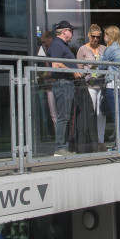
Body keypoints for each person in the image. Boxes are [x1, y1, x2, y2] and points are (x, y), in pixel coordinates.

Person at [47, 20, 81, 156]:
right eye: (71, 31)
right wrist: (73, 71)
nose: (72, 34)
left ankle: (63, 148)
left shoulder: (62, 45)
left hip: (66, 83)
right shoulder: (57, 44)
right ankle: (60, 148)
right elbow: (55, 64)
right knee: (63, 118)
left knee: (65, 117)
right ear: (64, 32)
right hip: (63, 83)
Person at [100, 25, 120, 150]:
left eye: (105, 34)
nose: (104, 37)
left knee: (117, 116)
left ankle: (119, 145)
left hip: (113, 84)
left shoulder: (110, 49)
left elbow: (101, 66)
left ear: (110, 36)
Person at [77, 24, 107, 151]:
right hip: (89, 85)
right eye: (93, 36)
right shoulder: (82, 49)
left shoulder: (104, 49)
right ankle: (91, 141)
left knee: (101, 114)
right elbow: (79, 68)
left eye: (98, 37)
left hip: (103, 85)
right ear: (88, 35)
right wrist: (86, 75)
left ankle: (101, 141)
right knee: (91, 113)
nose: (95, 39)